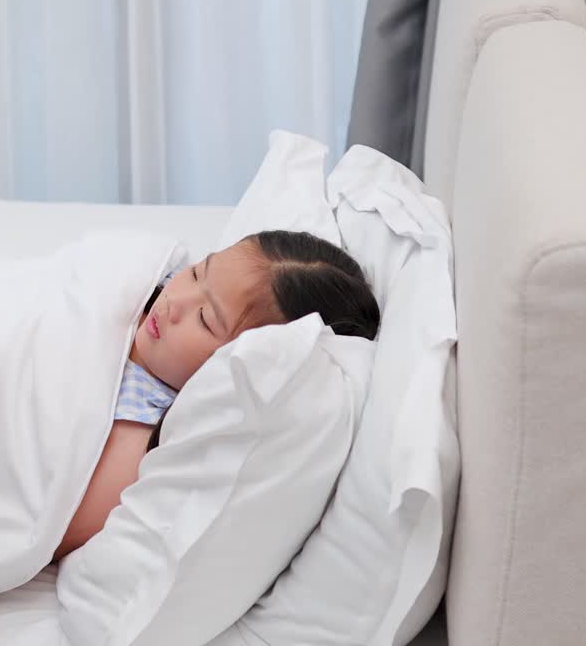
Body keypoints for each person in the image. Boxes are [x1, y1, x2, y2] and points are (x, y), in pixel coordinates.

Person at [54, 230, 381, 559]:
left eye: (205, 319)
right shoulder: (141, 286)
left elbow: (50, 526)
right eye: (197, 273)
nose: (175, 302)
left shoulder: (135, 430)